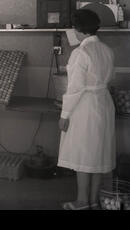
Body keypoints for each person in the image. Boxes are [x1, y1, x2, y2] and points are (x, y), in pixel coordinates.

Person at [58, 9, 116, 210]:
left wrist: (64, 115)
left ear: (77, 29)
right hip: (104, 103)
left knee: (84, 154)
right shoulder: (107, 50)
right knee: (97, 153)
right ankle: (93, 200)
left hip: (86, 105)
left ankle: (82, 202)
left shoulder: (80, 52)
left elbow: (74, 88)